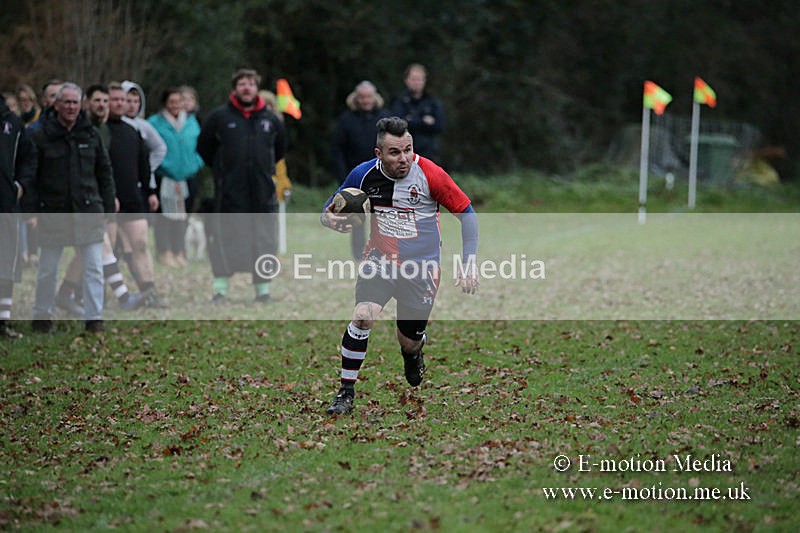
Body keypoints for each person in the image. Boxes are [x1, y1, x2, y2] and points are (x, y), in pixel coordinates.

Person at [320, 117, 479, 415]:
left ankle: (414, 350)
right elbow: (330, 208)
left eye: (408, 149)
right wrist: (331, 220)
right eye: (395, 152)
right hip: (379, 260)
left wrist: (469, 261)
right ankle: (345, 393)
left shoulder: (430, 174)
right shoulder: (363, 174)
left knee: (408, 340)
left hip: (421, 269)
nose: (403, 158)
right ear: (379, 154)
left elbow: (467, 214)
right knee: (363, 317)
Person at [20, 82, 116, 334]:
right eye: (66, 102)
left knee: (94, 268)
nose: (71, 107)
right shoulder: (40, 136)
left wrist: (108, 208)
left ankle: (94, 318)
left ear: (81, 104)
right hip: (53, 212)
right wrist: (30, 211)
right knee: (47, 270)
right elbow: (30, 176)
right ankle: (42, 317)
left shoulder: (91, 134)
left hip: (88, 210)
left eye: (75, 102)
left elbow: (104, 173)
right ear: (56, 104)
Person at [197, 68, 288, 304]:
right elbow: (204, 148)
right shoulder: (219, 118)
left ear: (257, 89)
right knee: (226, 239)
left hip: (262, 191)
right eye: (241, 84)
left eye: (250, 84)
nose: (246, 88)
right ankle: (220, 291)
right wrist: (222, 170)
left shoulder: (271, 119)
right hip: (230, 192)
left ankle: (263, 291)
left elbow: (280, 150)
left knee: (264, 240)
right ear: (234, 89)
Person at [54, 84, 144, 314]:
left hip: (94, 200)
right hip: (72, 202)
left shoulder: (103, 131)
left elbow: (104, 170)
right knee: (98, 247)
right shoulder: (80, 130)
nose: (103, 105)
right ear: (87, 103)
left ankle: (68, 293)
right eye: (98, 101)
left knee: (97, 248)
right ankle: (121, 297)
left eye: (106, 101)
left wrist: (108, 196)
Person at [105, 82, 166, 308]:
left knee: (140, 243)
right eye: (116, 99)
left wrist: (150, 191)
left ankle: (149, 292)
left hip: (132, 197)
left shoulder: (134, 131)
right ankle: (92, 293)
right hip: (108, 199)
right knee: (108, 246)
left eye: (124, 100)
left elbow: (144, 167)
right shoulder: (97, 131)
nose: (121, 104)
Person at [332, 81, 392, 260]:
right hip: (356, 177)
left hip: (382, 175)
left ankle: (384, 252)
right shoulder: (345, 121)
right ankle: (359, 256)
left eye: (369, 96)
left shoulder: (386, 119)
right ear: (356, 98)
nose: (366, 100)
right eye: (362, 97)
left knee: (383, 216)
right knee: (357, 219)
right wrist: (343, 176)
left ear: (375, 97)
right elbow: (337, 150)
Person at [147, 87, 204, 266]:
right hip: (163, 176)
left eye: (179, 102)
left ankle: (180, 250)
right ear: (165, 103)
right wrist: (165, 167)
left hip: (187, 176)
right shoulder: (154, 123)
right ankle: (164, 251)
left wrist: (195, 163)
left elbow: (201, 146)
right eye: (172, 102)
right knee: (164, 216)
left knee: (183, 215)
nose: (176, 106)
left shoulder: (192, 122)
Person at [0, 97, 35, 338]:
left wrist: (19, 186)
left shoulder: (11, 122)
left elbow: (28, 158)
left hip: (5, 205)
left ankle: (2, 322)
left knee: (5, 264)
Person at [390, 64, 445, 161]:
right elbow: (398, 124)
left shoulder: (433, 102)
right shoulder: (400, 101)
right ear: (406, 80)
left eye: (419, 79)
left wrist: (411, 119)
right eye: (413, 79)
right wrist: (424, 121)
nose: (417, 82)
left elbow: (439, 126)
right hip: (405, 153)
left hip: (429, 153)